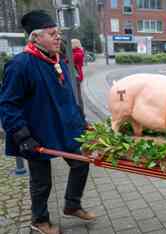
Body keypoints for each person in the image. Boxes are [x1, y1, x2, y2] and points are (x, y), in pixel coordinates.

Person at [0, 10, 96, 234]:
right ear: (35, 38)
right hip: (36, 134)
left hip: (63, 129)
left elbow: (66, 98)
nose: (58, 38)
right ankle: (40, 220)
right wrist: (22, 136)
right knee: (42, 182)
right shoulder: (20, 65)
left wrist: (81, 121)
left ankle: (72, 205)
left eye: (58, 33)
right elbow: (8, 105)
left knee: (82, 163)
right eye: (52, 33)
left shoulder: (57, 60)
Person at [72, 38, 85, 114]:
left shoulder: (78, 54)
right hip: (78, 75)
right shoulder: (77, 52)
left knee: (78, 96)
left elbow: (68, 60)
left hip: (77, 76)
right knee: (77, 95)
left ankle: (81, 113)